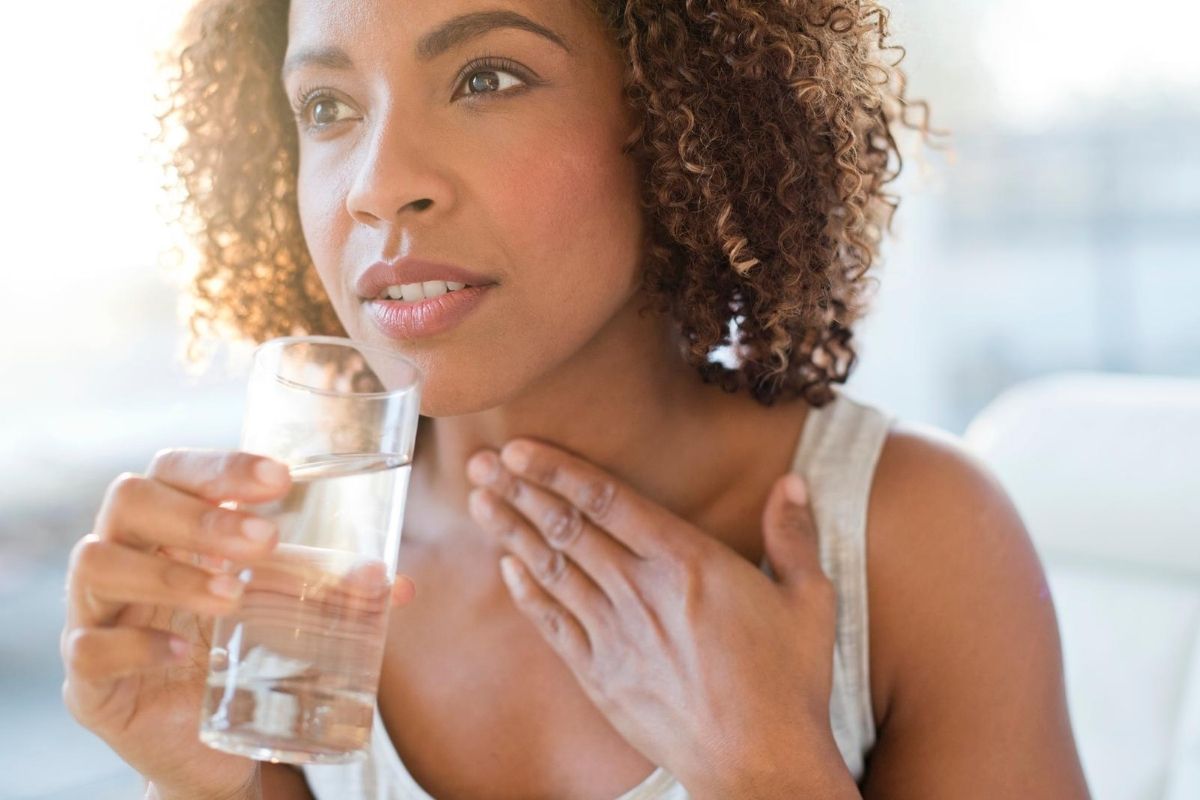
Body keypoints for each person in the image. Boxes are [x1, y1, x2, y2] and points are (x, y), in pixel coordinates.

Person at [60, 1, 1093, 798]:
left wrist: (773, 768)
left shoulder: (912, 540)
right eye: (328, 108)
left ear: (682, 111)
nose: (380, 183)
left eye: (486, 77)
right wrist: (197, 778)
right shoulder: (287, 570)